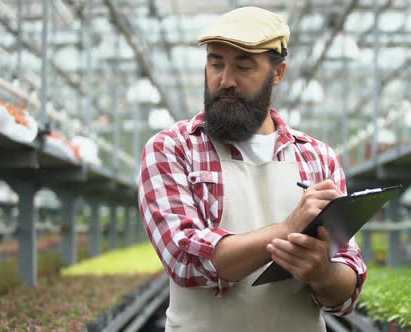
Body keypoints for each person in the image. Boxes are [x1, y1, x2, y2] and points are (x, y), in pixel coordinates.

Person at [138, 6, 366, 332]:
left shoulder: (319, 158)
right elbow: (185, 259)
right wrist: (287, 229)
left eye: (243, 66)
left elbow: (346, 290)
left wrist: (323, 273)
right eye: (215, 63)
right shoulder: (172, 149)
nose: (225, 80)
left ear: (278, 72)